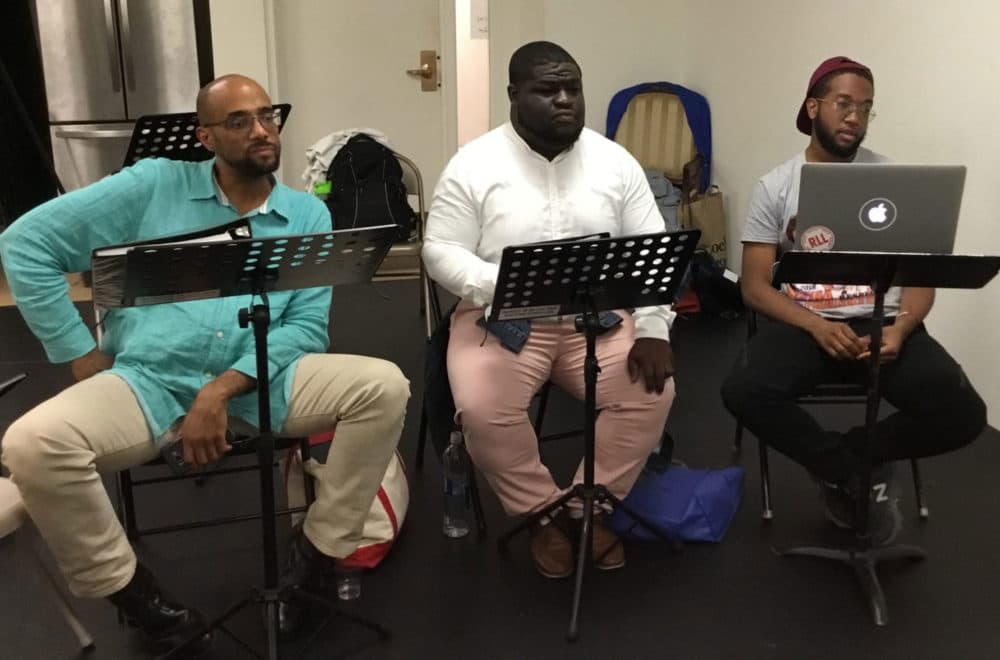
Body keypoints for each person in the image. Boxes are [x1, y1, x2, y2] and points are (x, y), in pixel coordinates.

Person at [0, 74, 409, 653]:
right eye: (240, 121)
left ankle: (316, 557)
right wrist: (78, 353)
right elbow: (24, 244)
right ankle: (143, 601)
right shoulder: (151, 185)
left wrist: (221, 389)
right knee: (30, 444)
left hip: (260, 380)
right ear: (207, 137)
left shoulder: (305, 214)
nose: (261, 130)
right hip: (149, 380)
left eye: (268, 116)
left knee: (383, 386)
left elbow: (306, 328)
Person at [422, 42, 675, 579]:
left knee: (652, 392)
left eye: (573, 89)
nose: (565, 100)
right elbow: (439, 249)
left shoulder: (614, 161)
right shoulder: (474, 163)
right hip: (505, 318)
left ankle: (590, 508)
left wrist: (655, 327)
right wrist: (504, 284)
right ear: (514, 95)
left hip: (597, 319)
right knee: (483, 407)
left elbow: (653, 248)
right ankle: (543, 514)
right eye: (547, 90)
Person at [720, 56, 986, 545]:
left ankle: (852, 457)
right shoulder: (776, 186)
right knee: (742, 390)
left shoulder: (896, 181)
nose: (854, 118)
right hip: (805, 325)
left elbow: (919, 277)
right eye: (844, 104)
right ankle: (850, 473)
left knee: (966, 415)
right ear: (813, 106)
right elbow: (754, 286)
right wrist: (815, 326)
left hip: (883, 323)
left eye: (865, 108)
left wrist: (902, 328)